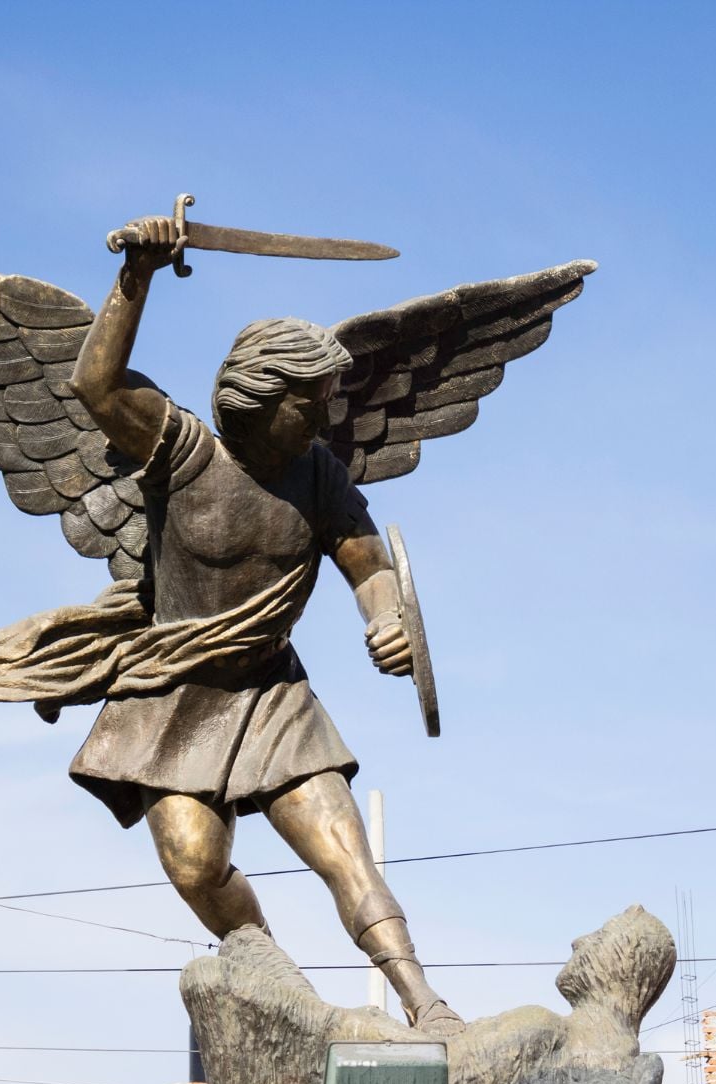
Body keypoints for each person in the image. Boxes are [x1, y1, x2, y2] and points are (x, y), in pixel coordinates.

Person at [67, 216, 461, 1034]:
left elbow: (369, 569)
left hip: (274, 698)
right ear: (257, 399)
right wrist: (137, 273)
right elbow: (96, 387)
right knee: (194, 862)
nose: (320, 422)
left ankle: (427, 1003)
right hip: (175, 699)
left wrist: (388, 621)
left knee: (343, 848)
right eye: (307, 406)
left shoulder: (319, 476)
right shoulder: (177, 449)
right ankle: (284, 992)